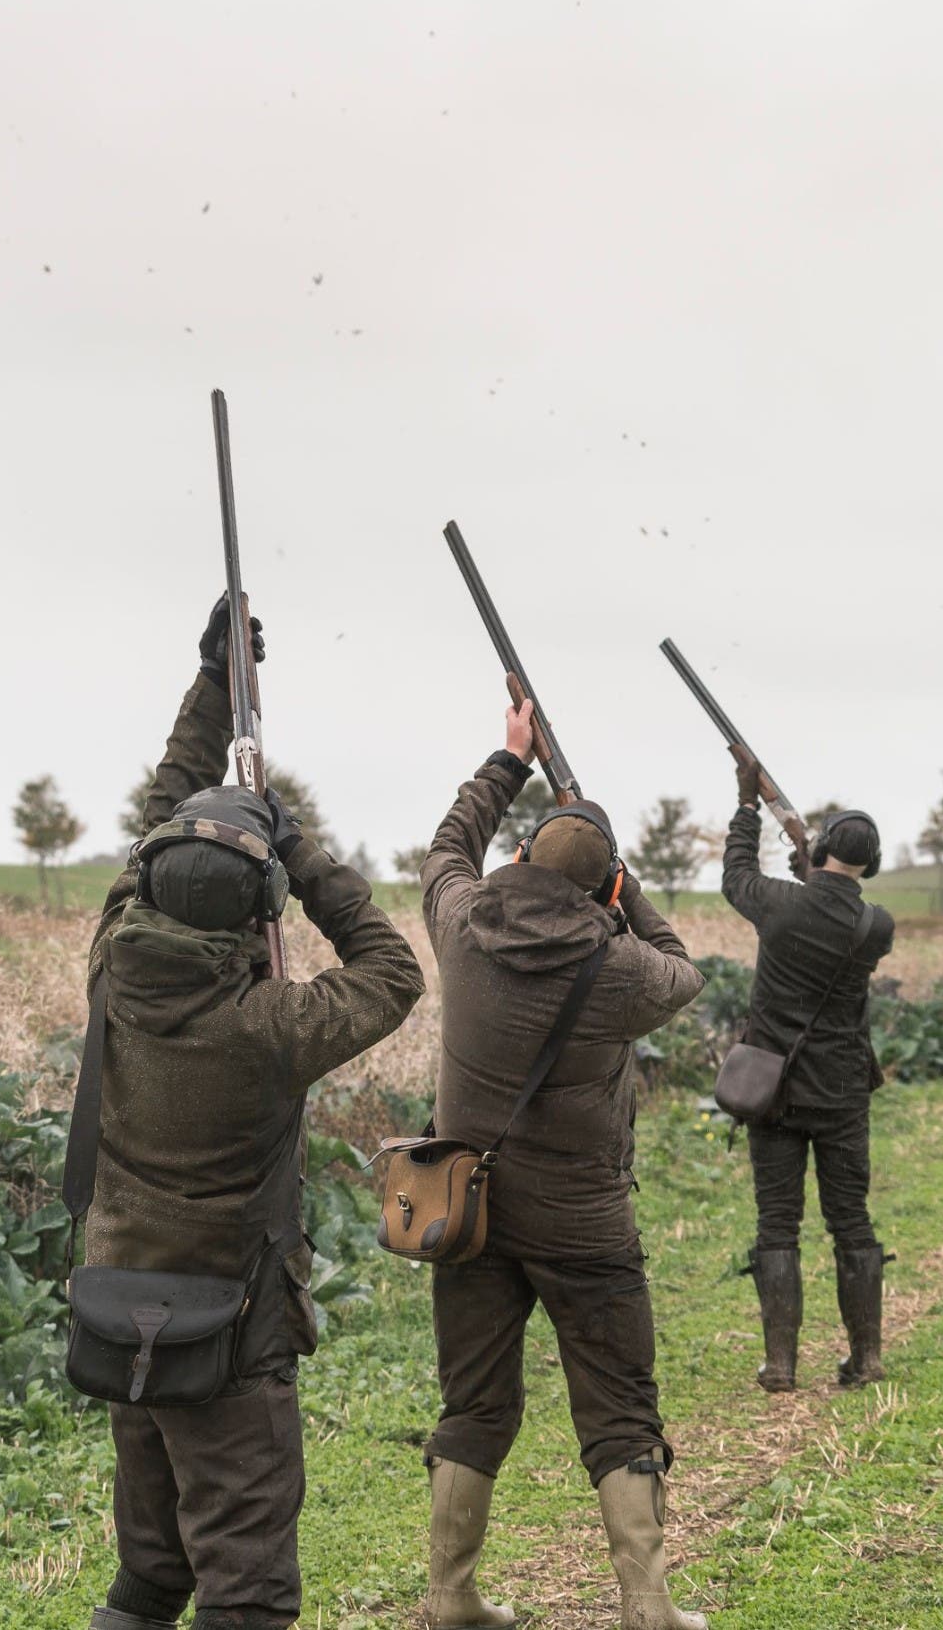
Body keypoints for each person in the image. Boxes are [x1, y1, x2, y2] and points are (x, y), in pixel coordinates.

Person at [84, 598, 425, 1630]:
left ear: (145, 889)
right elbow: (394, 969)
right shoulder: (269, 1026)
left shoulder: (113, 963)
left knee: (150, 1573)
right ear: (258, 907)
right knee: (249, 1589)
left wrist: (211, 680)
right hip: (229, 1327)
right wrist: (299, 846)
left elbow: (161, 809)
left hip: (120, 1302)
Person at [418, 697, 709, 1630]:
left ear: (516, 862)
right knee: (618, 1404)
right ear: (605, 891)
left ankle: (450, 1596)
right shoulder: (619, 968)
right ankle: (648, 1609)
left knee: (473, 1400)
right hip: (584, 1219)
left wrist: (508, 763)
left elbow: (444, 851)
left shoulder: (462, 929)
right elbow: (682, 965)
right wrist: (623, 892)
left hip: (468, 1207)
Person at [720, 750, 896, 1395]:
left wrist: (746, 804)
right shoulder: (877, 925)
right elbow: (838, 907)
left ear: (820, 849)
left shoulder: (780, 905)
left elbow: (737, 874)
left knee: (777, 1223)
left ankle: (781, 1367)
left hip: (775, 1091)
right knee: (851, 1220)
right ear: (870, 865)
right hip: (844, 1091)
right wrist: (816, 868)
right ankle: (867, 1358)